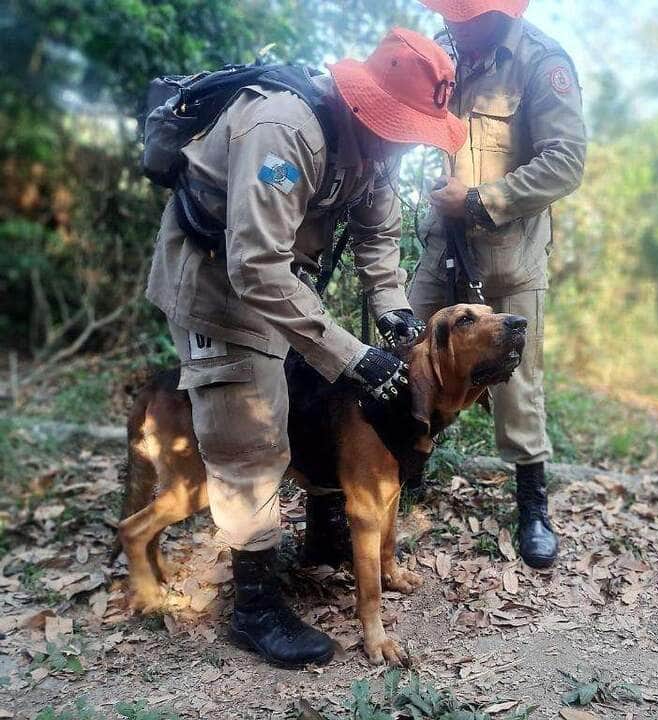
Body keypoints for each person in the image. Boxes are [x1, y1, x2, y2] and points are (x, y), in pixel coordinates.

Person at [144, 28, 466, 667]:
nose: (401, 142)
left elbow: (377, 240)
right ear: (362, 104)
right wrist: (354, 355)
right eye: (395, 126)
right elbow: (255, 266)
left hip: (278, 282)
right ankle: (254, 605)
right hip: (216, 280)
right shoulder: (282, 130)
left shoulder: (377, 151)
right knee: (249, 436)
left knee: (315, 400)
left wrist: (397, 318)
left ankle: (323, 535)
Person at [408, 0, 586, 569]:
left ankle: (532, 505)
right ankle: (406, 467)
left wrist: (483, 200)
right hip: (442, 248)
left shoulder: (541, 62)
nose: (455, 23)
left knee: (518, 380)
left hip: (508, 256)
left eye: (467, 15)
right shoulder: (445, 50)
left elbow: (565, 162)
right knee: (407, 350)